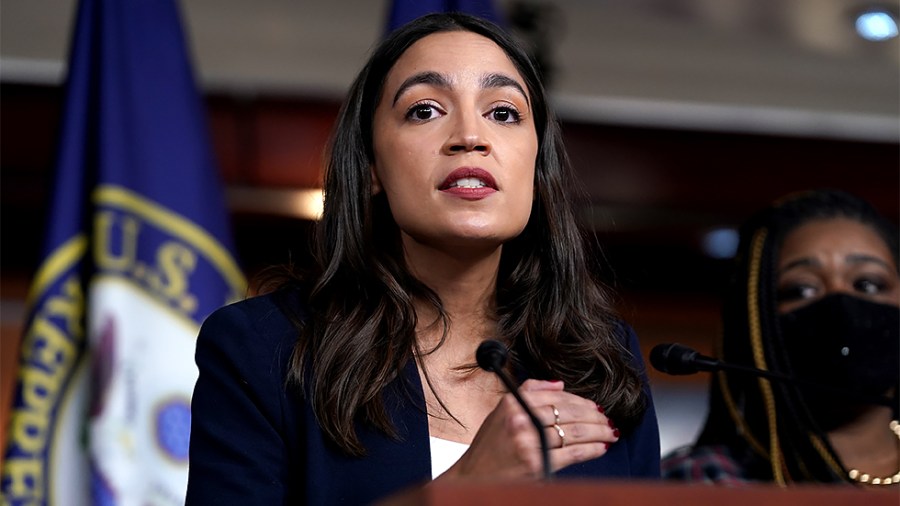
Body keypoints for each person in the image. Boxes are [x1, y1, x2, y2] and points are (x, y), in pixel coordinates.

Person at [185, 12, 660, 505]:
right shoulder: (262, 349)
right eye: (425, 110)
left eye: (502, 113)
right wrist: (462, 488)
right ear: (371, 169)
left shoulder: (602, 359)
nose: (470, 137)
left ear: (537, 172)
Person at [662, 189, 899, 486]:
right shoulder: (707, 480)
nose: (841, 306)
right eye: (801, 289)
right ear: (754, 323)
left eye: (867, 283)